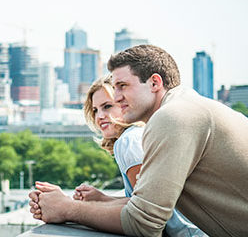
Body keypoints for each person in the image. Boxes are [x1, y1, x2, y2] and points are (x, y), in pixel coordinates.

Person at [29, 45, 248, 236]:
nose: (115, 97)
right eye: (115, 88)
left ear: (154, 83)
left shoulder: (173, 116)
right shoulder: (188, 107)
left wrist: (66, 208)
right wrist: (100, 201)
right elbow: (148, 204)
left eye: (123, 86)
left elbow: (145, 223)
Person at [74, 75, 203, 236]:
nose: (99, 116)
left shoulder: (129, 141)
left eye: (107, 106)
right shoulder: (139, 135)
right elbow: (146, 200)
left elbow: (146, 210)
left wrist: (69, 208)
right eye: (95, 110)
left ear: (125, 104)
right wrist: (102, 199)